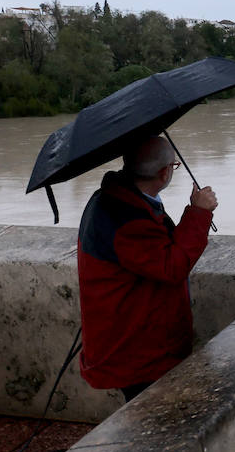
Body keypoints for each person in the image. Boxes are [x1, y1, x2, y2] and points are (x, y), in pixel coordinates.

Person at [76, 135, 218, 402]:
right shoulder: (127, 219)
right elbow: (171, 266)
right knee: (152, 421)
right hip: (136, 350)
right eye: (174, 166)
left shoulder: (116, 199)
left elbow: (157, 251)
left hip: (132, 338)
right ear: (164, 173)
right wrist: (199, 214)